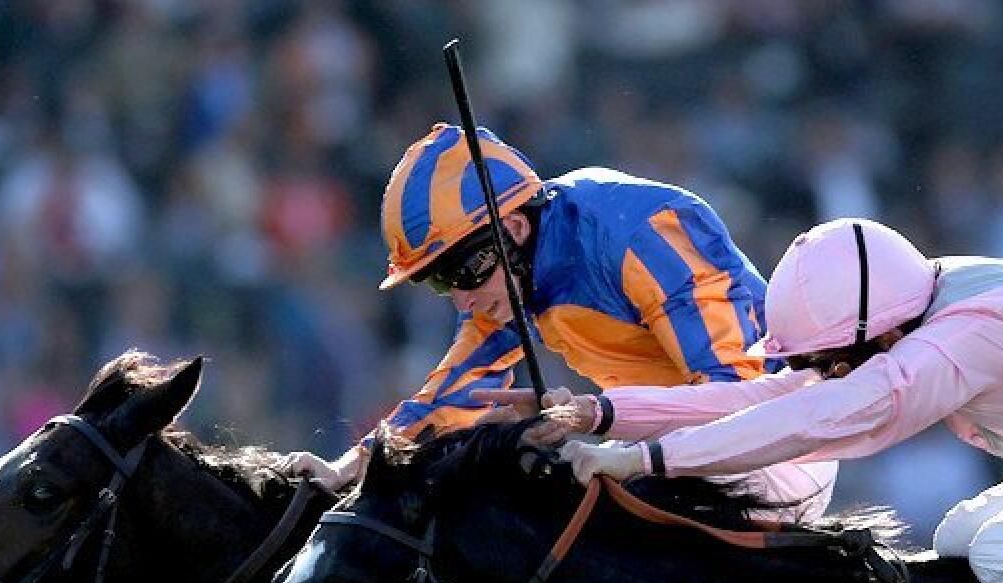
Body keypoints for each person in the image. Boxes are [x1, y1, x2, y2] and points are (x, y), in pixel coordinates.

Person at [282, 122, 836, 519]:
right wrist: (348, 469)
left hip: (779, 444)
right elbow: (456, 396)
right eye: (438, 282)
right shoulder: (509, 275)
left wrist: (600, 422)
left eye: (461, 274)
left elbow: (738, 398)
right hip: (671, 447)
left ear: (515, 232)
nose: (460, 300)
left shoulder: (644, 233)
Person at [554, 217, 1003, 583]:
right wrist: (598, 413)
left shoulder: (961, 338)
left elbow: (809, 418)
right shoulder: (918, 298)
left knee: (997, 556)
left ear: (889, 338)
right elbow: (765, 399)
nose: (821, 375)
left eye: (829, 365)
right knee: (957, 541)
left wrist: (644, 460)